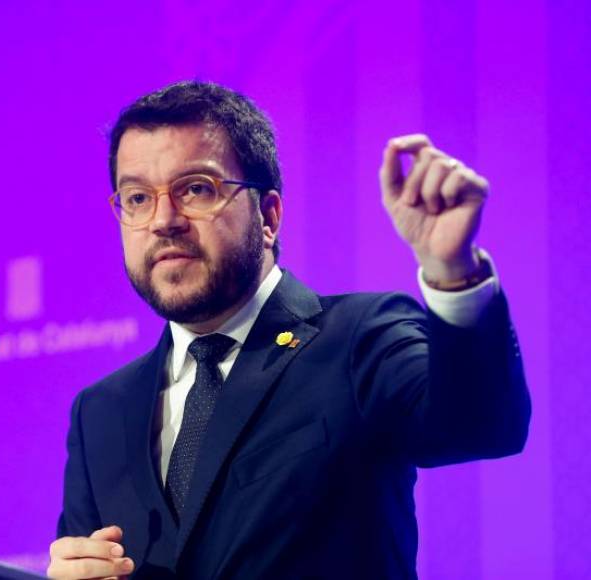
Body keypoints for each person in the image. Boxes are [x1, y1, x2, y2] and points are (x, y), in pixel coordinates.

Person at [47, 81, 530, 579]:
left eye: (195, 189)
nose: (164, 220)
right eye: (138, 197)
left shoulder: (359, 337)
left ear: (269, 215)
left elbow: (479, 424)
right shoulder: (100, 412)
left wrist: (454, 272)